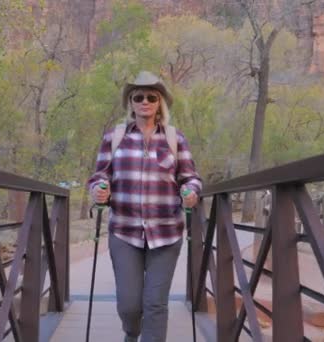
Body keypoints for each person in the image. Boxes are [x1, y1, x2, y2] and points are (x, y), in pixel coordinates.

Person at [87, 71, 202, 342]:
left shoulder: (175, 138)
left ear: (159, 102)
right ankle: (131, 333)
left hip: (167, 233)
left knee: (155, 305)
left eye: (151, 96)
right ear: (131, 102)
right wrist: (98, 189)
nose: (145, 101)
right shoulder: (114, 137)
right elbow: (100, 174)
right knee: (130, 305)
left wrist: (191, 192)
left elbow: (190, 177)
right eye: (138, 97)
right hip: (124, 232)